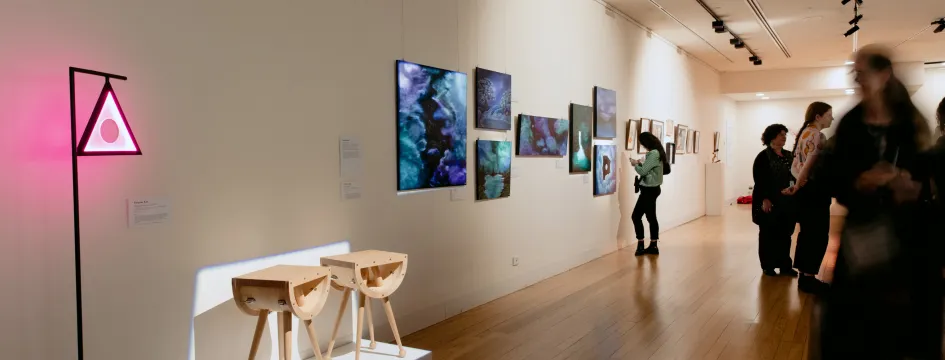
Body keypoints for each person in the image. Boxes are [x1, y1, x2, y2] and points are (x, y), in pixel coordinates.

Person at [815, 45, 940, 359]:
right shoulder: (850, 125)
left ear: (884, 75)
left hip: (909, 241)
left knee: (906, 328)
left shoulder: (912, 125)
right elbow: (833, 179)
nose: (856, 80)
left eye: (861, 73)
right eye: (854, 74)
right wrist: (861, 181)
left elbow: (925, 180)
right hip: (862, 237)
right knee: (854, 328)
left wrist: (904, 183)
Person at [788, 102, 834, 293]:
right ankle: (808, 277)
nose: (832, 118)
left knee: (807, 233)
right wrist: (799, 184)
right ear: (818, 116)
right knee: (817, 233)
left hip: (807, 191)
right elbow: (808, 163)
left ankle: (804, 276)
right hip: (814, 191)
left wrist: (797, 185)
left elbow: (796, 165)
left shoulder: (805, 133)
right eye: (829, 114)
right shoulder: (815, 135)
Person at [752, 124, 799, 277]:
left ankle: (785, 266)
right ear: (772, 137)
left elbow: (794, 175)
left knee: (785, 234)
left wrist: (793, 188)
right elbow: (760, 180)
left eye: (785, 134)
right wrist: (765, 199)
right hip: (770, 201)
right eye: (781, 135)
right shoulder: (763, 157)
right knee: (768, 234)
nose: (784, 137)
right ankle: (768, 266)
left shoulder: (788, 155)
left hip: (787, 200)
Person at [630, 132, 671, 256]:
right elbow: (650, 168)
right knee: (650, 217)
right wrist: (641, 163)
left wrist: (635, 164)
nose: (642, 145)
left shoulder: (653, 153)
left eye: (642, 143)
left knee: (636, 216)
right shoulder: (658, 152)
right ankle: (652, 245)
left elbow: (642, 171)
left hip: (649, 190)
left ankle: (642, 245)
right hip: (652, 189)